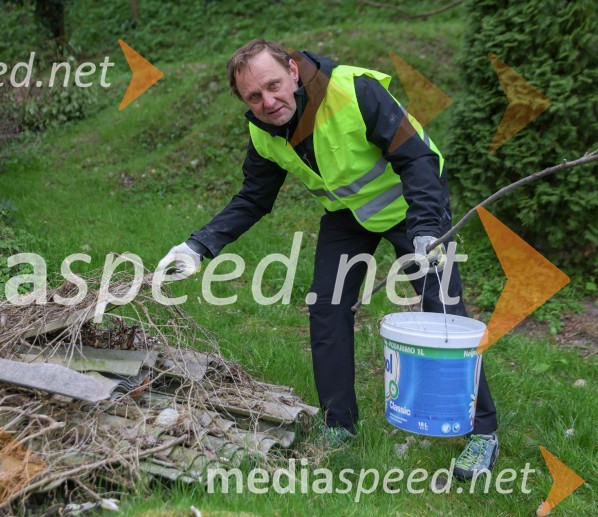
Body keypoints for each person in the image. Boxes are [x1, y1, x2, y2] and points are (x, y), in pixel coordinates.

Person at [157, 39, 498, 479]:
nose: (268, 101)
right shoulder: (264, 131)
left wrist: (428, 228)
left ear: (293, 72)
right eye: (254, 97)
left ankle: (483, 434)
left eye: (274, 85)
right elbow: (253, 199)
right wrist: (198, 246)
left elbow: (417, 159)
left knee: (445, 315)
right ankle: (340, 425)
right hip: (349, 216)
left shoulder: (353, 90)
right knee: (326, 309)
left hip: (415, 207)